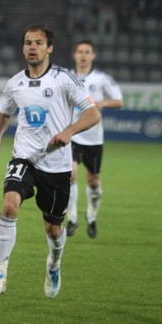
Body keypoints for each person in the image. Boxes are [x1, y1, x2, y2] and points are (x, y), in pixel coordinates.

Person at [0, 25, 100, 298]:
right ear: (23, 47)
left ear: (50, 48)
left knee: (53, 227)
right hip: (24, 156)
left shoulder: (64, 79)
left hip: (57, 164)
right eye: (27, 42)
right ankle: (0, 273)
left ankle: (54, 263)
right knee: (10, 203)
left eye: (38, 42)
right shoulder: (15, 83)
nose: (32, 47)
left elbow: (92, 114)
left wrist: (68, 132)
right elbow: (5, 112)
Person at [66, 40, 123, 238]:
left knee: (93, 180)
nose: (83, 55)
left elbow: (119, 101)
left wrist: (101, 103)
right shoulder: (67, 77)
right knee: (70, 174)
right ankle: (72, 218)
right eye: (80, 51)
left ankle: (91, 214)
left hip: (94, 137)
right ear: (74, 55)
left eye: (87, 52)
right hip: (72, 134)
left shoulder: (101, 79)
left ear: (93, 56)